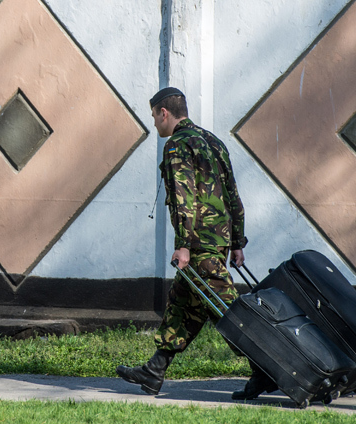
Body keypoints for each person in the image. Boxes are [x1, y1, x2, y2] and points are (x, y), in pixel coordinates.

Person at [116, 87, 276, 400]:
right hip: (218, 242)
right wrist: (238, 241)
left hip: (200, 244)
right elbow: (233, 195)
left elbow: (183, 197)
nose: (154, 125)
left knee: (229, 314)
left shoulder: (177, 144)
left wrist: (184, 244)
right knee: (182, 304)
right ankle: (155, 370)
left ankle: (268, 369)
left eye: (154, 117)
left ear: (164, 112)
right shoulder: (213, 142)